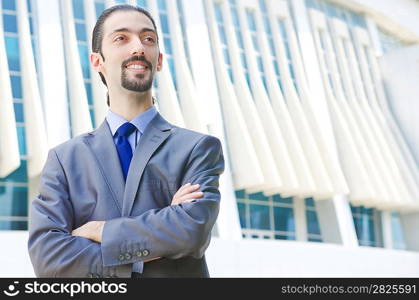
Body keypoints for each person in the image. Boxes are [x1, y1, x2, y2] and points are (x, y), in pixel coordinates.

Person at [28, 4, 224, 278]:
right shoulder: (64, 159)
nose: (138, 48)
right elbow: (48, 259)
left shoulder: (198, 148)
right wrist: (158, 235)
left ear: (159, 60)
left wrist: (99, 231)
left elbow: (190, 232)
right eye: (122, 38)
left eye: (148, 39)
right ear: (97, 61)